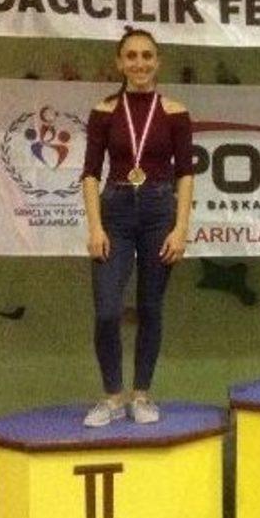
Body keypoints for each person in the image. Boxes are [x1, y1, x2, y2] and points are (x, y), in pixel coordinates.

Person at [78, 28, 194, 427]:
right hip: (116, 212)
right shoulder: (104, 111)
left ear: (158, 62)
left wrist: (180, 228)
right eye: (131, 56)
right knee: (107, 310)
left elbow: (186, 174)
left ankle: (142, 394)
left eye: (147, 56)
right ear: (120, 62)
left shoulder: (176, 112)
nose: (139, 63)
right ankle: (112, 397)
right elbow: (90, 173)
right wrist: (96, 227)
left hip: (160, 212)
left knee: (150, 307)